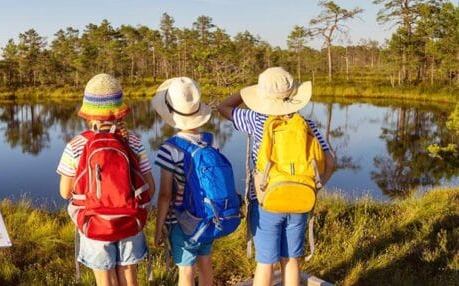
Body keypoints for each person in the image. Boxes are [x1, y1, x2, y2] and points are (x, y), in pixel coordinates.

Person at [217, 67, 336, 286]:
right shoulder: (307, 125)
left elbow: (223, 107)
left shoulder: (256, 119)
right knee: (291, 260)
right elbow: (330, 161)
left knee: (265, 264)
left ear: (262, 97)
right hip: (300, 200)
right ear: (294, 97)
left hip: (266, 204)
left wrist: (245, 93)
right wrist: (314, 187)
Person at [57, 73, 156, 286]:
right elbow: (151, 188)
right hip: (130, 220)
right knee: (130, 277)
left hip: (94, 222)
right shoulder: (134, 142)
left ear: (88, 113)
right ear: (119, 110)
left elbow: (65, 192)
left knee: (105, 279)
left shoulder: (76, 145)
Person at [151, 77, 217, 286]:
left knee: (186, 272)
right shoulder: (210, 140)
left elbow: (165, 195)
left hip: (182, 221)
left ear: (170, 112)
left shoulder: (170, 148)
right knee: (206, 263)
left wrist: (158, 227)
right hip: (208, 217)